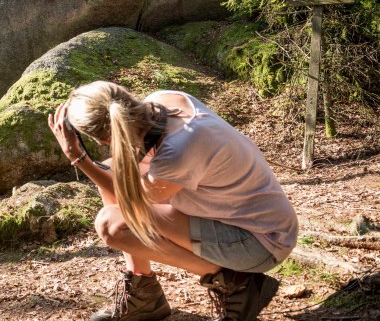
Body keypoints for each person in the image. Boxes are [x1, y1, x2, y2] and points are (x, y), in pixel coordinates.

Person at [47, 81, 298, 321]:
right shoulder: (163, 101)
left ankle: (237, 283)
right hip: (260, 222)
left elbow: (131, 201)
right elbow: (125, 173)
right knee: (114, 169)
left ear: (102, 139)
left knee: (112, 226)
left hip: (261, 244)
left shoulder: (177, 152)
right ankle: (143, 289)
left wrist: (77, 157)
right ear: (124, 94)